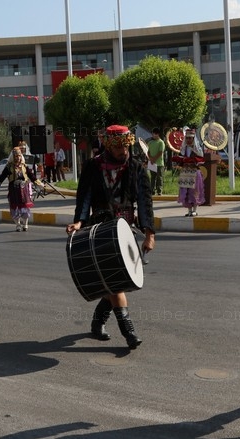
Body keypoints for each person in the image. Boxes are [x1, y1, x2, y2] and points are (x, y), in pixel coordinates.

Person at [65, 125, 155, 349]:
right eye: (118, 147)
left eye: (126, 146)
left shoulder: (136, 167)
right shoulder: (93, 166)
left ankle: (97, 323)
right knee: (116, 284)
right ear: (108, 145)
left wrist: (149, 234)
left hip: (125, 230)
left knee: (114, 281)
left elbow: (145, 202)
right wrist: (79, 221)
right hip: (101, 229)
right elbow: (84, 197)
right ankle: (129, 333)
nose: (123, 151)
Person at [0, 147, 37, 231]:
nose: (18, 158)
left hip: (24, 189)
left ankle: (25, 223)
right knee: (14, 207)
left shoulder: (24, 166)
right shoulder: (9, 167)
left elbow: (31, 176)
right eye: (16, 156)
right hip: (14, 189)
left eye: (19, 156)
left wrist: (39, 184)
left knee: (25, 208)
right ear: (13, 157)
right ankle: (18, 224)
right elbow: (2, 177)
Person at [176, 128, 205, 216]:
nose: (188, 140)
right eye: (187, 138)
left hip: (194, 172)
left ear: (193, 139)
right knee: (186, 191)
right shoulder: (183, 149)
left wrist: (193, 160)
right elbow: (180, 158)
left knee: (195, 190)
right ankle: (189, 210)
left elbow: (201, 159)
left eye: (190, 138)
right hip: (185, 172)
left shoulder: (197, 149)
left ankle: (195, 210)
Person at [147, 127, 166, 196]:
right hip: (151, 162)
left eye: (155, 134)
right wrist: (150, 158)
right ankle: (152, 190)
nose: (154, 135)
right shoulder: (150, 142)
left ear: (158, 134)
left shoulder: (161, 142)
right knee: (153, 177)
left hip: (159, 163)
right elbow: (147, 152)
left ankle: (159, 191)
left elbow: (160, 152)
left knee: (159, 177)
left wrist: (153, 159)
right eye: (153, 134)